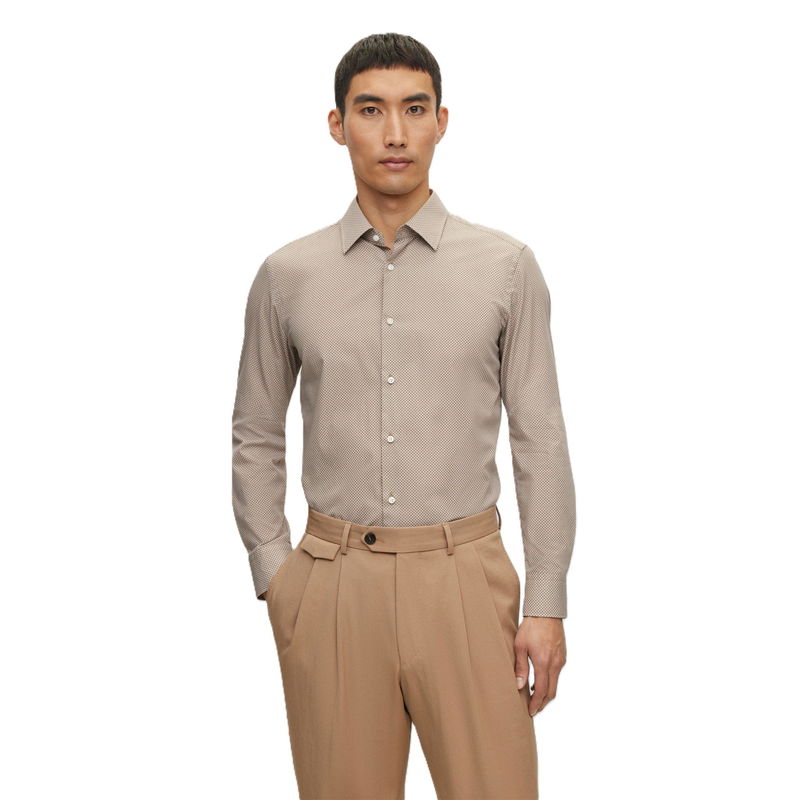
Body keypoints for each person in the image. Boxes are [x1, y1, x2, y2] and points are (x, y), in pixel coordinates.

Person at [231, 32, 577, 800]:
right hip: (332, 587)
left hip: (467, 582)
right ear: (336, 125)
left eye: (414, 109)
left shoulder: (505, 268)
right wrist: (278, 576)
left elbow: (541, 438)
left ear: (442, 122)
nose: (395, 133)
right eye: (371, 110)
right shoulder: (288, 276)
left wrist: (546, 602)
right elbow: (255, 431)